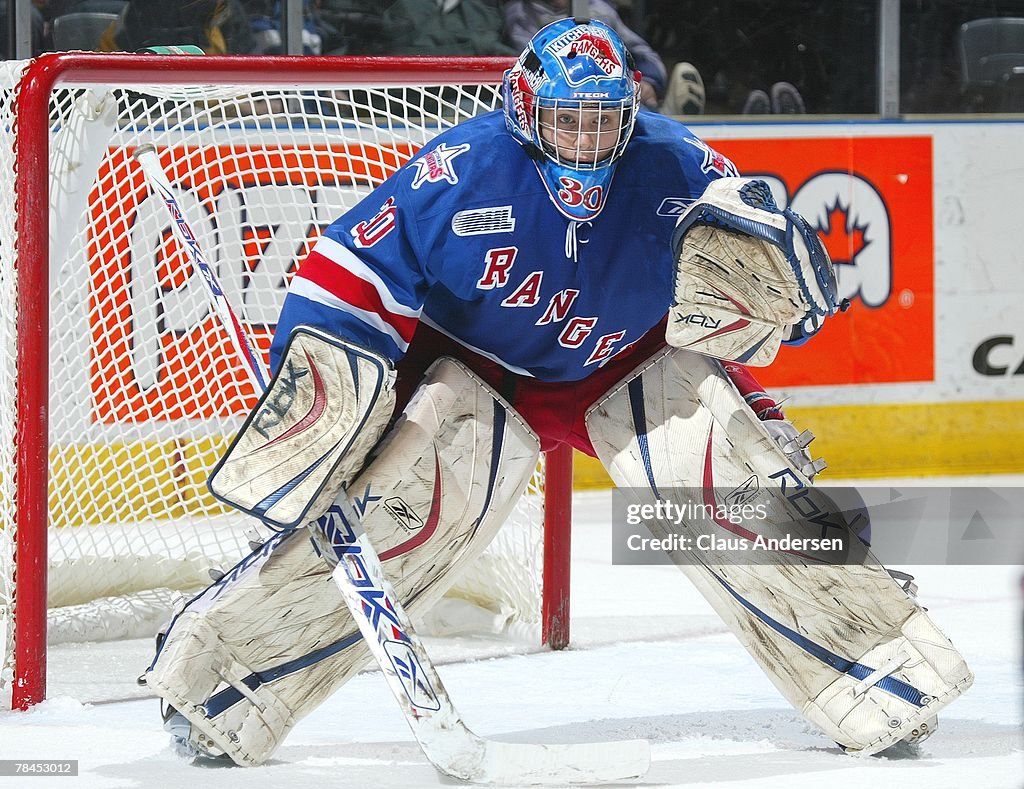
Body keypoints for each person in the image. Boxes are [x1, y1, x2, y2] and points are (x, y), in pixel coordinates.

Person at [143, 18, 966, 769]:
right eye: (567, 120)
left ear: (628, 117)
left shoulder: (681, 167)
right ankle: (224, 682)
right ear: (526, 113)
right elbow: (349, 270)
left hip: (628, 367)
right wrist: (330, 401)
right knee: (399, 520)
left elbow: (751, 298)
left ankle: (882, 668)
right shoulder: (461, 172)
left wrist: (779, 310)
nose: (585, 140)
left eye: (603, 121)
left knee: (733, 493)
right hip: (478, 374)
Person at [502, 0, 704, 114]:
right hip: (559, 103)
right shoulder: (520, 12)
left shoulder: (598, 9)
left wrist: (649, 81)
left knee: (634, 112)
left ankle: (666, 116)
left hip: (614, 96)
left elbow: (641, 52)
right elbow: (533, 66)